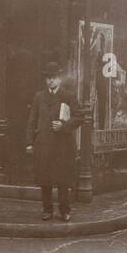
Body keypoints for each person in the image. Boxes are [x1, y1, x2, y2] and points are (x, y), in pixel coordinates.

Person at [26, 60, 82, 221]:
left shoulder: (69, 96)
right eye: (48, 78)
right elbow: (32, 120)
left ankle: (65, 210)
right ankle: (47, 210)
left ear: (60, 79)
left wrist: (64, 125)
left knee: (63, 179)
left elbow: (79, 117)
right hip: (43, 144)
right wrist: (29, 142)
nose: (51, 80)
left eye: (54, 77)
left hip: (62, 146)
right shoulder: (39, 96)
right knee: (45, 179)